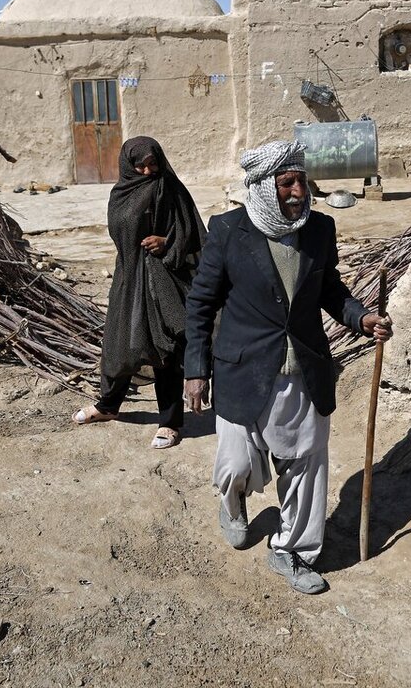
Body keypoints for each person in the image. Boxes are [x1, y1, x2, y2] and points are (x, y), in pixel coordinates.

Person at [183, 140, 392, 594]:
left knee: (305, 465)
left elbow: (330, 291)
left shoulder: (319, 229)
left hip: (303, 371)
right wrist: (196, 369)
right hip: (242, 369)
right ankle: (233, 501)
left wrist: (362, 318)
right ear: (261, 186)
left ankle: (292, 550)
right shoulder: (228, 229)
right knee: (237, 463)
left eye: (301, 180)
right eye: (287, 182)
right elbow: (200, 303)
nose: (299, 191)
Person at [73, 136, 205, 449]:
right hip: (130, 277)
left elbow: (194, 231)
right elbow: (120, 233)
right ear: (128, 165)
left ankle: (170, 423)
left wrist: (167, 242)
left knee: (165, 349)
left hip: (164, 280)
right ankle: (108, 406)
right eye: (140, 165)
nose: (147, 170)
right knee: (121, 344)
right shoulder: (121, 192)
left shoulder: (169, 188)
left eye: (152, 163)